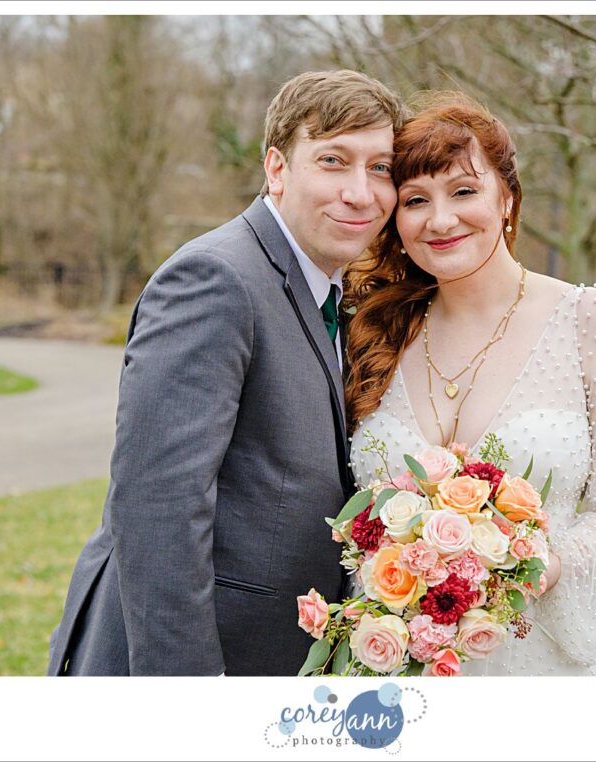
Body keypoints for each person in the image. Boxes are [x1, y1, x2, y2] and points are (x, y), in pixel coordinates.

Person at [47, 70, 408, 675]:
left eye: (380, 169)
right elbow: (158, 503)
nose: (360, 192)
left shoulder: (329, 291)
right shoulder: (216, 280)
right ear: (276, 168)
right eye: (333, 160)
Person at [344, 93, 596, 676]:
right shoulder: (372, 331)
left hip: (528, 662)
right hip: (385, 669)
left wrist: (544, 561)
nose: (440, 220)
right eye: (416, 200)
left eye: (463, 191)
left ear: (508, 198)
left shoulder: (590, 321)